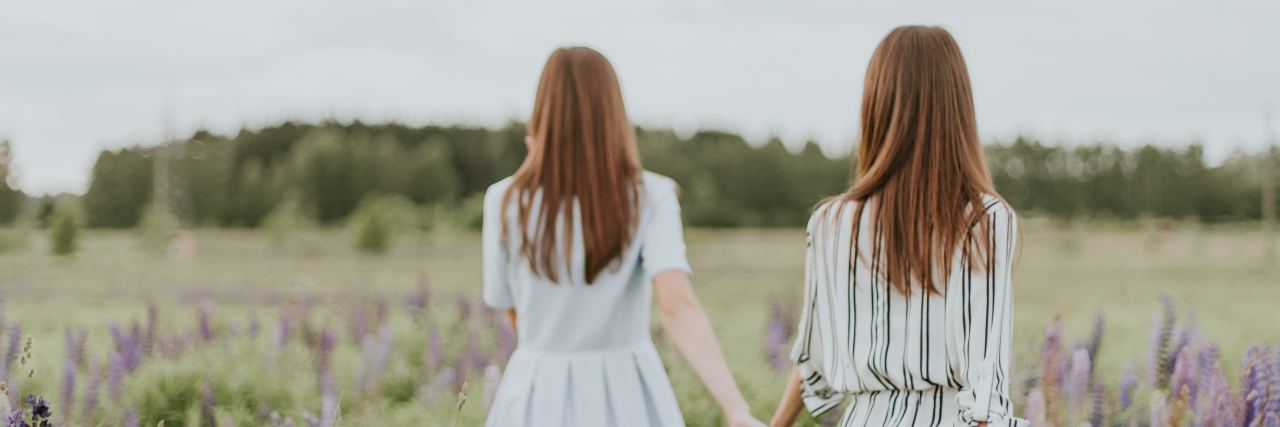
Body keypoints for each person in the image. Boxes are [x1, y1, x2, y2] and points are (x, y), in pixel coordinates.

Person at [482, 46, 765, 427]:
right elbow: (677, 305)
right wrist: (734, 407)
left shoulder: (504, 199)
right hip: (626, 392)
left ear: (543, 111)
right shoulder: (650, 195)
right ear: (613, 113)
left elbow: (508, 306)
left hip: (535, 391)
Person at [768, 26, 1029, 427]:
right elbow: (985, 399)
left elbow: (811, 363)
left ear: (876, 105)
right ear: (958, 108)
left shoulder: (832, 222)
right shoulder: (984, 220)